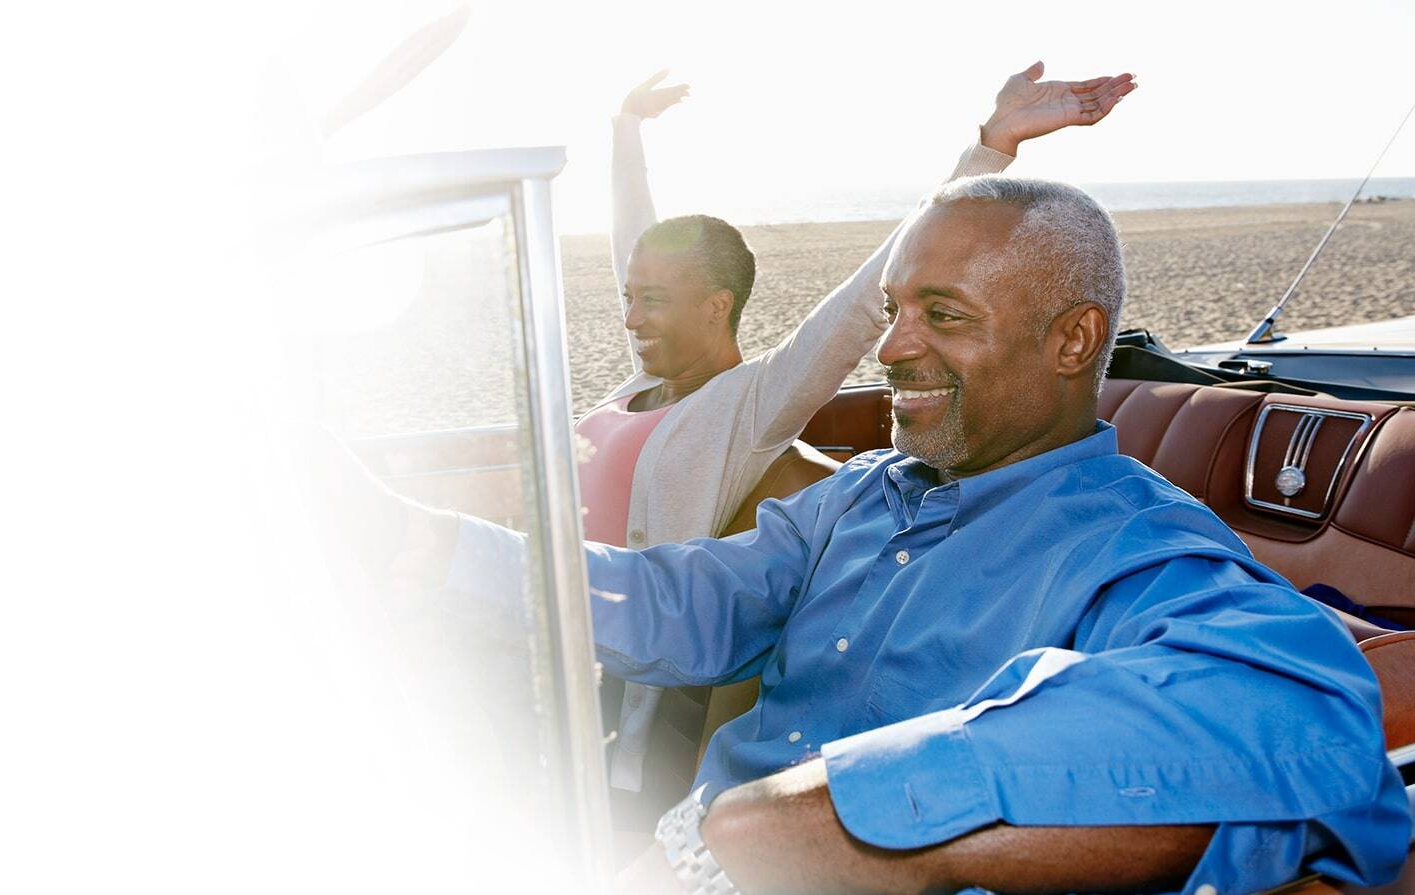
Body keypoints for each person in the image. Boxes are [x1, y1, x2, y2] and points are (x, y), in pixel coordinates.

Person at [450, 175, 1408, 893]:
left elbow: (1309, 714)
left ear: (1074, 341)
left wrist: (858, 812)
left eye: (942, 315)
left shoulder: (1132, 542)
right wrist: (442, 556)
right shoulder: (860, 494)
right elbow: (691, 600)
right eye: (894, 310)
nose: (894, 346)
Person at [582, 63, 1138, 805]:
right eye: (631, 297)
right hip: (604, 626)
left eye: (654, 299)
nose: (635, 314)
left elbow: (861, 308)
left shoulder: (744, 406)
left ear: (713, 306)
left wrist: (989, 150)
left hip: (631, 680)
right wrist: (625, 131)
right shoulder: (640, 379)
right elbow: (637, 247)